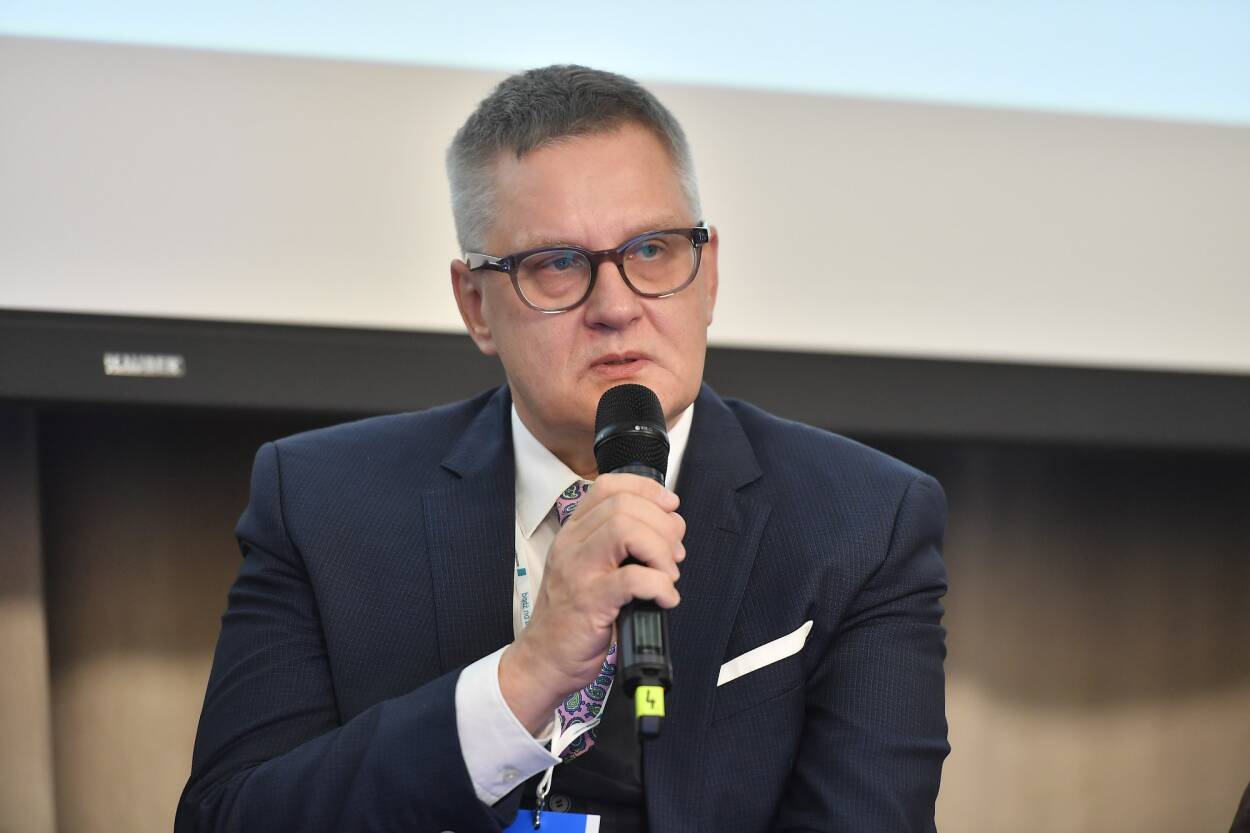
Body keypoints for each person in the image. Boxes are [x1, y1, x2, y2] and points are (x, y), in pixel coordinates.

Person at [176, 65, 949, 833]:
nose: (616, 306)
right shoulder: (320, 502)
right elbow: (225, 819)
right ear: (476, 305)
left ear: (708, 274)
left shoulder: (862, 522)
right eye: (557, 263)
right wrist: (525, 677)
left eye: (652, 250)